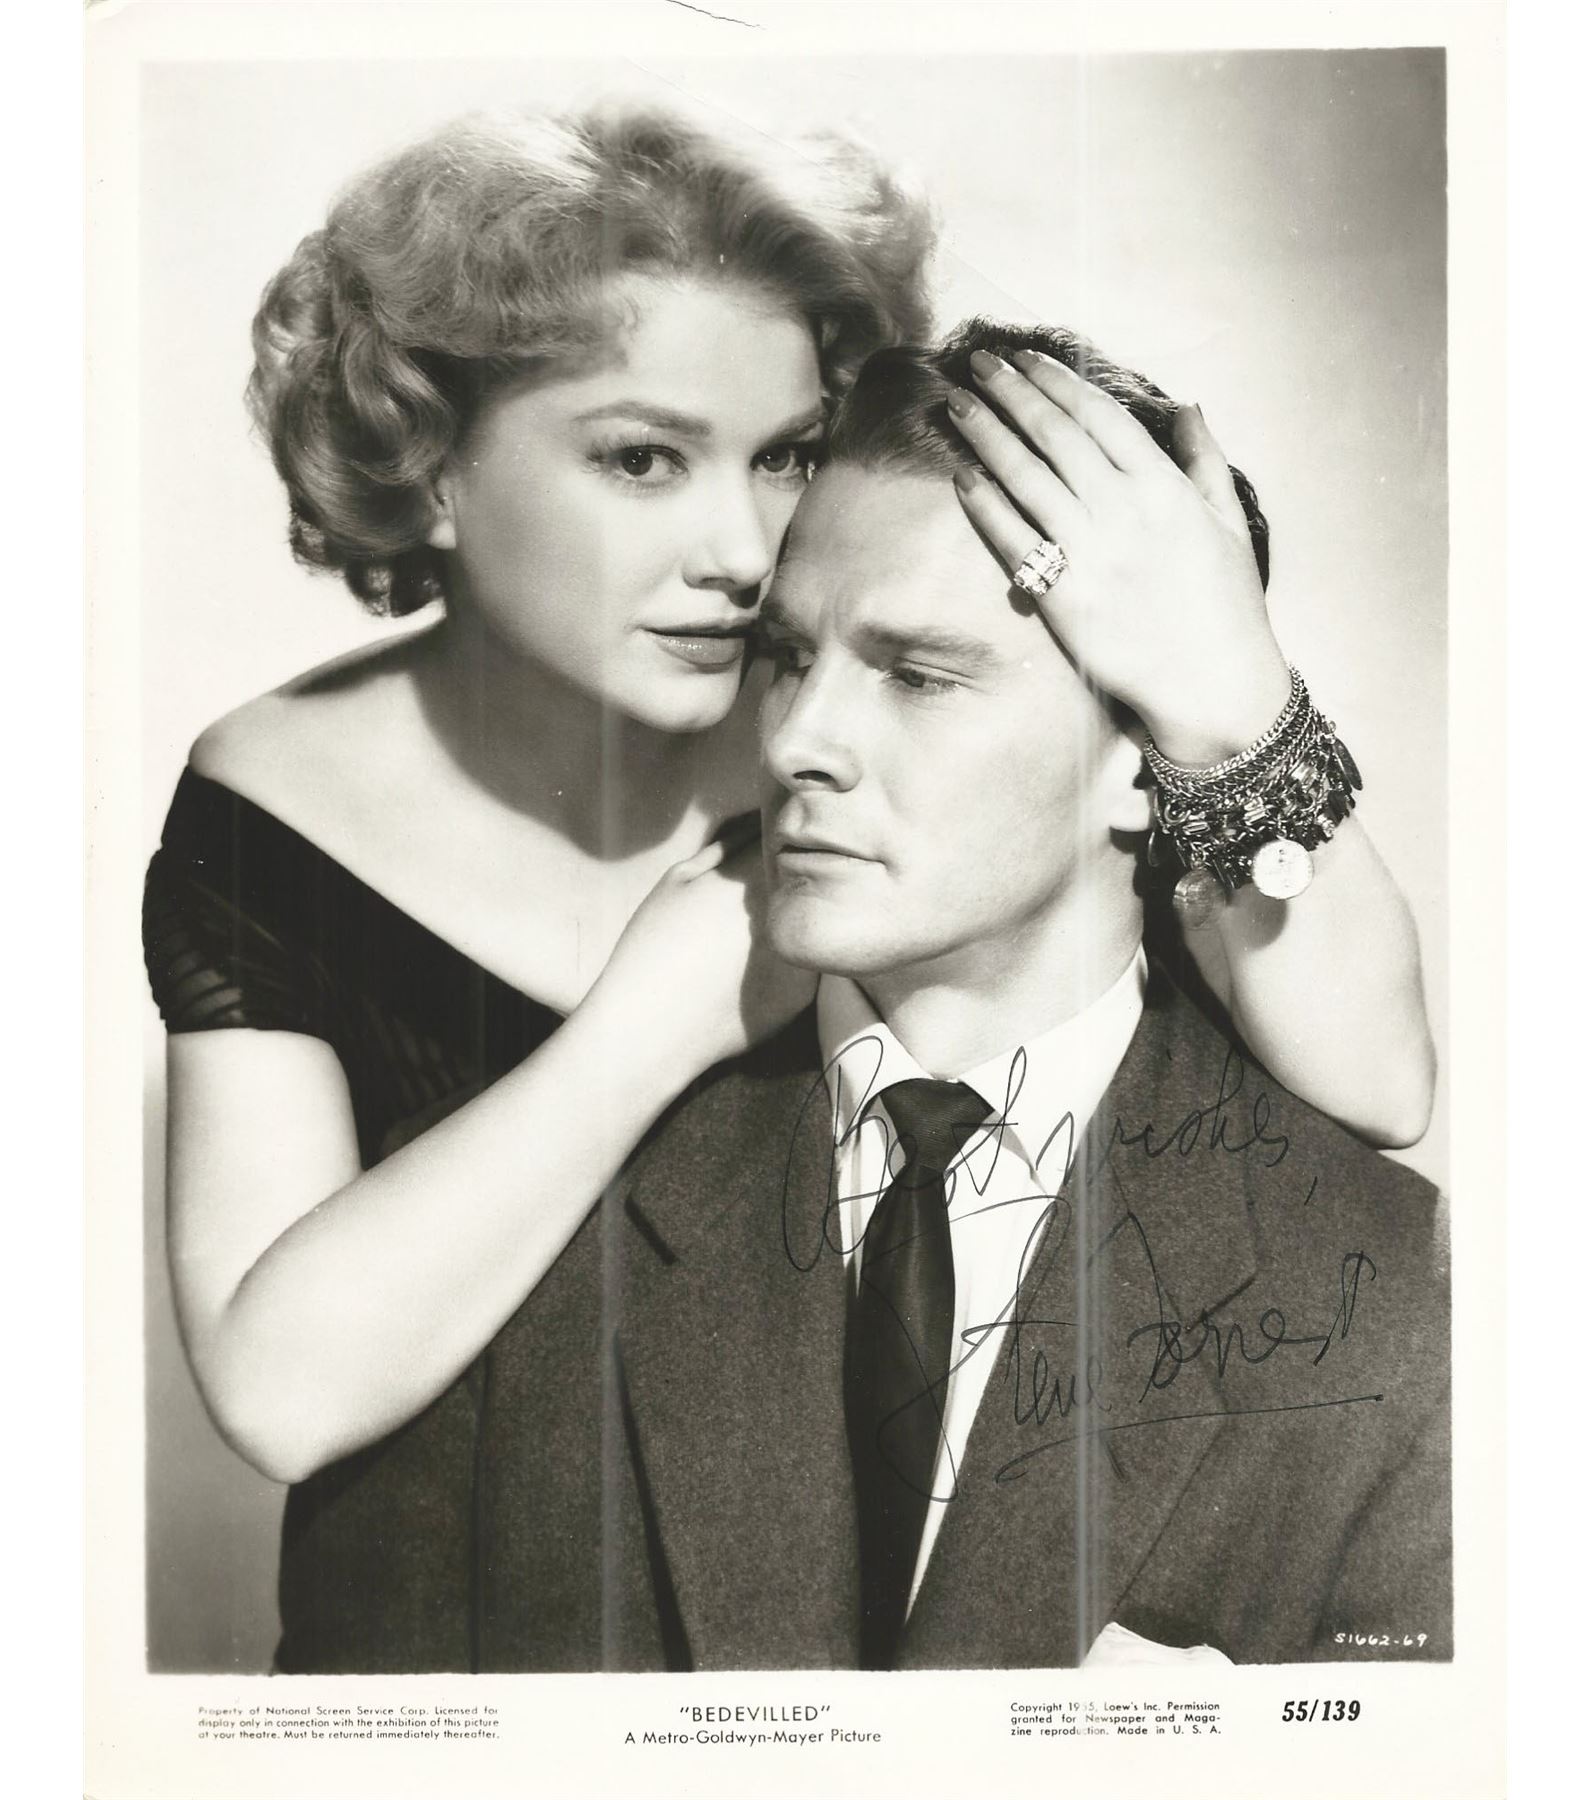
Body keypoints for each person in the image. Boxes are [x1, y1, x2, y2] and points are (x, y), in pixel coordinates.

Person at [142, 101, 1435, 1673]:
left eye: (786, 456)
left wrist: (1228, 698)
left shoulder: (868, 708)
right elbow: (279, 1394)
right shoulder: (274, 797)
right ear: (430, 466)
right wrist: (647, 1029)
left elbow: (1377, 1088)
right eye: (641, 458)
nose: (748, 548)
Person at [470, 320, 1448, 1671]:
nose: (798, 742)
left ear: (1141, 760)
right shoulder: (500, 1228)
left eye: (919, 674)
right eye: (787, 656)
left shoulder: (1398, 1302)